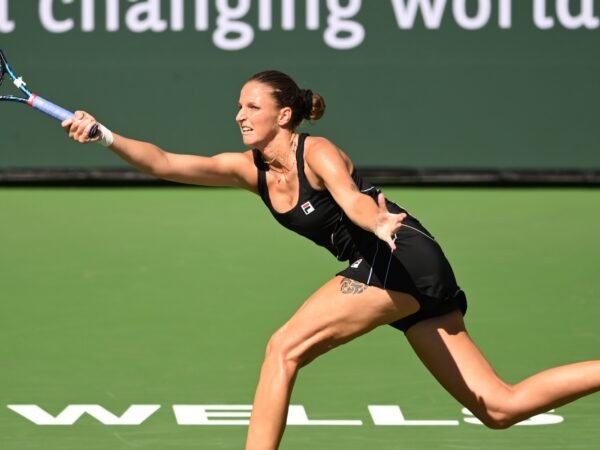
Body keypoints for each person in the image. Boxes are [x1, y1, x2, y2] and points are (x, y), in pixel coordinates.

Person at [63, 70, 600, 450]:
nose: (239, 115)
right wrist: (105, 135)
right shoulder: (250, 170)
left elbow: (352, 199)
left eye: (252, 106)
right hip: (398, 267)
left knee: (283, 347)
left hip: (395, 250)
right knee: (499, 408)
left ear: (285, 113)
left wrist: (379, 222)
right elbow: (165, 162)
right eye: (238, 106)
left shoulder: (315, 151)